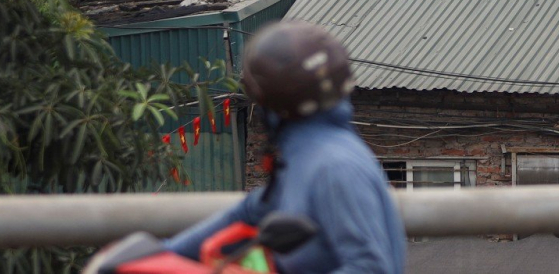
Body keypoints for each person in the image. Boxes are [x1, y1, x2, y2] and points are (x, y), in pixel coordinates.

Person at [166, 21, 407, 274]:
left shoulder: (333, 167)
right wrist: (161, 255)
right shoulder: (301, 158)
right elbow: (250, 212)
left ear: (267, 103)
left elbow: (371, 267)